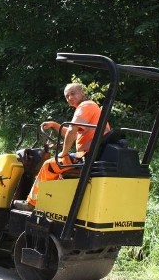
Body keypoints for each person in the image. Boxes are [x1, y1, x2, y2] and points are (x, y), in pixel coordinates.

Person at [14, 83, 109, 211]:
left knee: (48, 165)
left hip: (86, 156)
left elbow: (72, 130)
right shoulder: (92, 107)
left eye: (73, 93)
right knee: (58, 171)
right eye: (67, 96)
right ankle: (50, 203)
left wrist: (64, 152)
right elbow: (72, 132)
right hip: (91, 154)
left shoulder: (85, 106)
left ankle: (31, 203)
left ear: (82, 93)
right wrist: (54, 125)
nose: (70, 98)